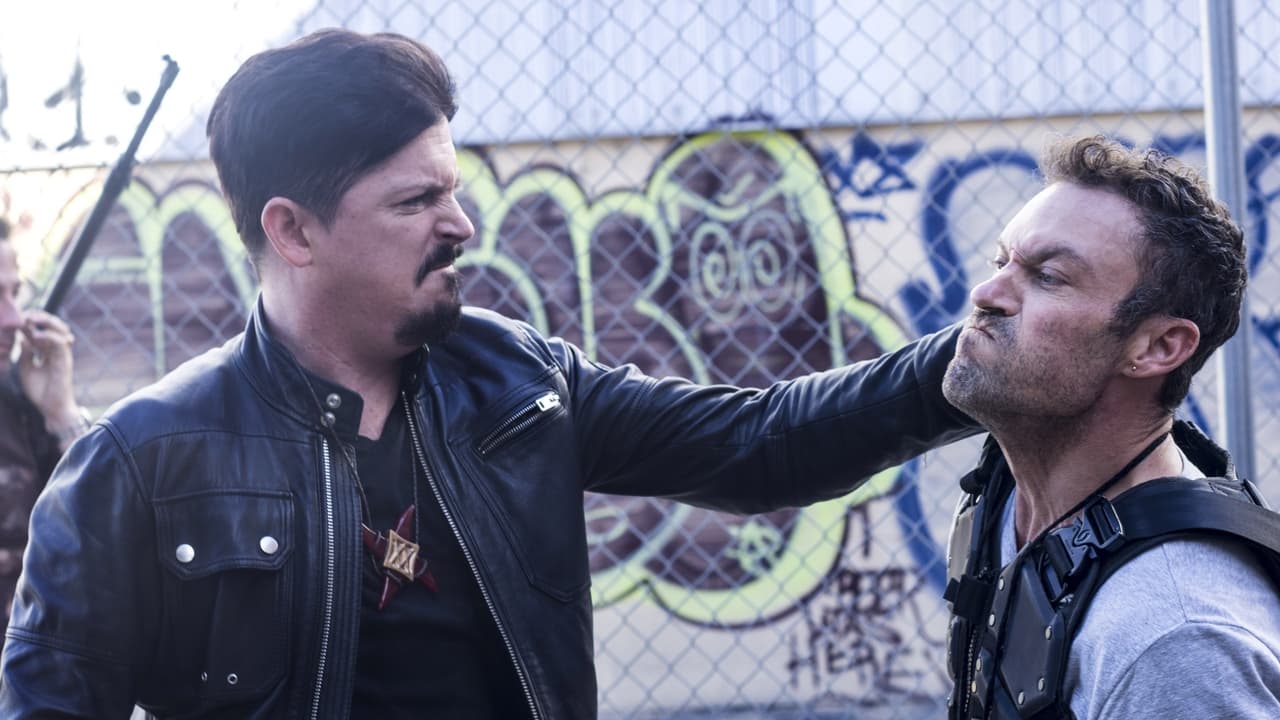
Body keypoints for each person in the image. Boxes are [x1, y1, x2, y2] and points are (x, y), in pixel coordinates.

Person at [0, 29, 976, 719]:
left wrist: (971, 364)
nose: (461, 225)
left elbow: (759, 445)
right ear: (292, 230)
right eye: (415, 201)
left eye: (454, 192)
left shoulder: (520, 385)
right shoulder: (141, 463)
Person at [940, 135, 1280, 719]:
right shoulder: (1010, 496)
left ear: (1157, 347)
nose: (986, 293)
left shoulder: (1175, 640)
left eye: (1048, 276)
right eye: (1002, 263)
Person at [0, 217, 90, 645]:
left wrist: (60, 411)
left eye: (14, 294)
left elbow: (107, 530)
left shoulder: (19, 407)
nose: (14, 319)